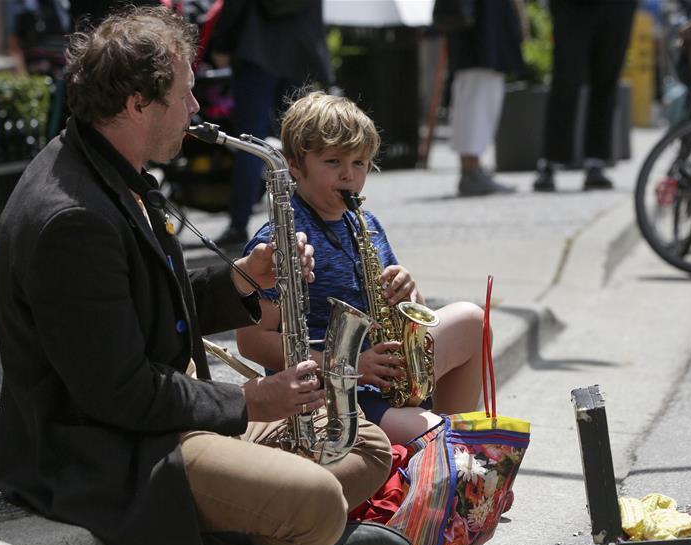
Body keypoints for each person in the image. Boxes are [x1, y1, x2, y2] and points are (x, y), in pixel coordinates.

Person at [0, 6, 409, 545]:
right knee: (317, 500)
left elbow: (146, 305)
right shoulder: (72, 220)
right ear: (138, 103)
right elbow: (119, 395)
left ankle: (281, 538)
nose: (196, 111)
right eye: (185, 95)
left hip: (158, 416)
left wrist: (242, 279)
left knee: (365, 444)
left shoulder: (106, 165)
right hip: (106, 450)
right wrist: (247, 401)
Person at [237, 90, 486, 445]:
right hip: (336, 396)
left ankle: (446, 449)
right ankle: (441, 449)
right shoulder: (282, 241)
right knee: (445, 440)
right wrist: (348, 367)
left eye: (359, 163)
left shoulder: (365, 222)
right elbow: (252, 341)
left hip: (383, 374)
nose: (349, 176)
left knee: (472, 320)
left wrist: (409, 290)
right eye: (333, 162)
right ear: (294, 164)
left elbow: (411, 312)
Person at [208, 0, 332, 248]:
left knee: (250, 142)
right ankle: (317, 220)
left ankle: (238, 224)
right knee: (303, 141)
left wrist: (221, 42)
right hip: (300, 48)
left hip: (257, 48)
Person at [533, 0, 637, 192]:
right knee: (565, 78)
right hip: (572, 7)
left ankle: (596, 162)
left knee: (607, 79)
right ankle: (551, 160)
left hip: (617, 7)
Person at [440, 0, 525, 197]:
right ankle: (471, 168)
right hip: (480, 24)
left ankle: (473, 168)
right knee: (477, 92)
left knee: (480, 90)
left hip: (481, 24)